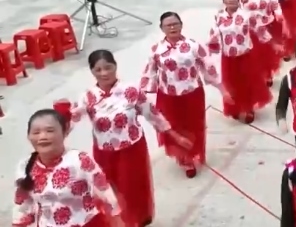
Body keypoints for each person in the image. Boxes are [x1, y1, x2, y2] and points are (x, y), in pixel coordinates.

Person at [61, 49, 188, 227]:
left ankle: (136, 219)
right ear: (92, 71)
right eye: (98, 70)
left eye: (108, 67)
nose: (104, 73)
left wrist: (174, 135)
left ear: (115, 66)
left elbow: (152, 114)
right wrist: (61, 122)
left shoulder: (131, 90)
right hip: (104, 152)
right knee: (109, 190)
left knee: (132, 187)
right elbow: (73, 119)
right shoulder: (87, 96)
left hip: (132, 149)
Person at [12, 108, 121, 227]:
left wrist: (116, 216)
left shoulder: (80, 160)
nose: (43, 136)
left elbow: (103, 190)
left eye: (50, 131)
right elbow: (23, 204)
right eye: (36, 132)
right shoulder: (25, 166)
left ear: (65, 132)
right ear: (29, 137)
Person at [140, 12, 218, 178]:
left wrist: (220, 86)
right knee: (175, 125)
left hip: (193, 93)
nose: (172, 27)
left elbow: (207, 65)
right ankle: (184, 159)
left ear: (181, 25)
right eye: (168, 25)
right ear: (162, 28)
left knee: (194, 124)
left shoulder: (193, 45)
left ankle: (194, 152)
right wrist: (144, 94)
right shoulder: (156, 50)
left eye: (175, 24)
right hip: (169, 96)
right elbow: (150, 72)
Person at [208, 0, 275, 123]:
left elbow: (259, 29)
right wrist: (210, 51)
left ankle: (248, 108)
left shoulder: (246, 15)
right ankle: (235, 107)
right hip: (228, 57)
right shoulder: (219, 16)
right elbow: (214, 34)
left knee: (246, 82)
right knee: (231, 84)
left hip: (244, 55)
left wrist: (272, 43)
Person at [241, 0, 287, 81]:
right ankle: (261, 73)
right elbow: (240, 11)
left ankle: (268, 73)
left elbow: (275, 3)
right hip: (253, 28)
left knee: (268, 52)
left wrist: (278, 14)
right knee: (257, 53)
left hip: (268, 24)